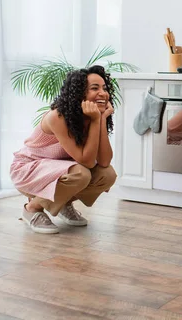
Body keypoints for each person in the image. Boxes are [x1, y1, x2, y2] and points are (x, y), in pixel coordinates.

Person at [10, 65, 117, 234]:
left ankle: (63, 203)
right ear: (79, 93)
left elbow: (104, 161)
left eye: (104, 88)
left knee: (107, 174)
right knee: (81, 173)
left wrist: (102, 120)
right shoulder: (58, 117)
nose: (103, 93)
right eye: (94, 88)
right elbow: (87, 161)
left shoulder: (91, 116)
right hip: (28, 169)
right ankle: (32, 209)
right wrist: (96, 120)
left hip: (58, 169)